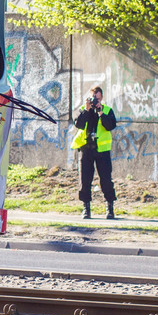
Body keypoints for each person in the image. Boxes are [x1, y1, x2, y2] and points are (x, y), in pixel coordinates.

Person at [71, 85, 117, 219]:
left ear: (101, 98)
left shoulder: (107, 110)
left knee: (106, 180)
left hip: (102, 151)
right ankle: (86, 209)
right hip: (86, 149)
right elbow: (78, 124)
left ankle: (110, 208)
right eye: (93, 99)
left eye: (97, 99)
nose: (95, 102)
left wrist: (101, 112)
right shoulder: (83, 110)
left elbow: (110, 126)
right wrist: (87, 109)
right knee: (85, 180)